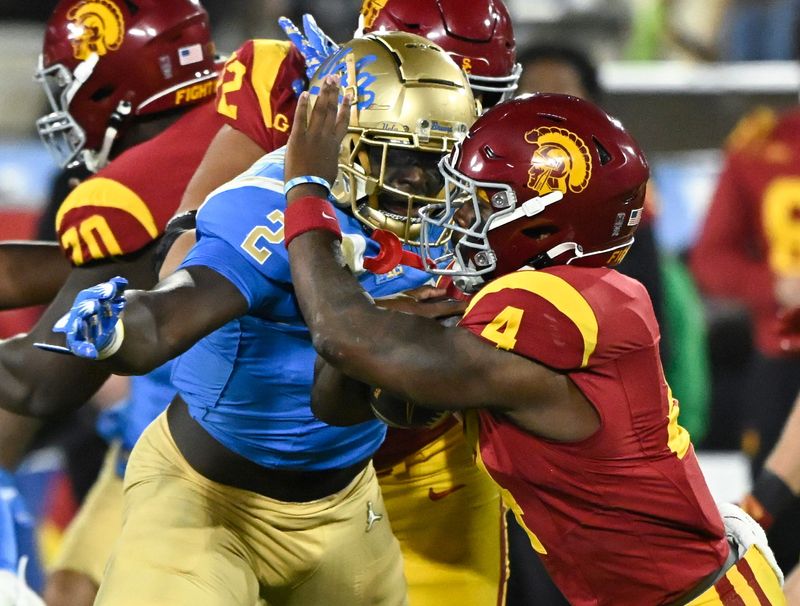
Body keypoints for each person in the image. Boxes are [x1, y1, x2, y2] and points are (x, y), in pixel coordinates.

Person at [0, 2, 518, 604]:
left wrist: (413, 357)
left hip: (358, 494)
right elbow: (177, 293)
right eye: (410, 158)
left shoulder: (469, 201)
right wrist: (120, 329)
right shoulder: (268, 185)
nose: (441, 175)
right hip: (211, 491)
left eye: (485, 98)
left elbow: (342, 396)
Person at [279, 89, 787, 604]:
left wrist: (304, 190)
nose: (456, 218)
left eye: (481, 201)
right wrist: (382, 325)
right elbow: (344, 399)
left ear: (542, 220)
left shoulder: (556, 304)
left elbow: (340, 336)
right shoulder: (558, 298)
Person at [690, 99, 800, 573]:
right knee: (779, 537)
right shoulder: (762, 145)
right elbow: (711, 259)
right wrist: (775, 286)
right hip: (783, 355)